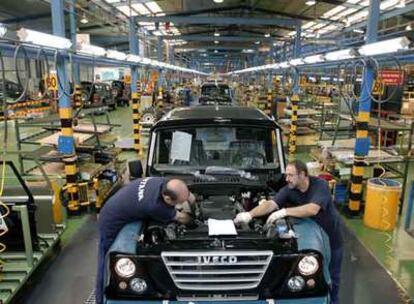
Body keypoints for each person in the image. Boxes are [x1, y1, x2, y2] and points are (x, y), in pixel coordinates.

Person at [234, 160, 343, 304]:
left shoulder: (320, 185)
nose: (287, 179)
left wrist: (284, 211)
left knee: (332, 279)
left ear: (303, 174)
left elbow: (313, 209)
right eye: (287, 175)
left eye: (291, 175)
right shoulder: (289, 189)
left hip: (331, 237)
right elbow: (271, 204)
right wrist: (250, 214)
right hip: (310, 236)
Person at [95, 177, 195, 304]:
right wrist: (194, 221)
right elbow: (182, 218)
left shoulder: (163, 183)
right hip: (111, 222)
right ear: (167, 199)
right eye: (178, 203)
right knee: (107, 260)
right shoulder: (154, 206)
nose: (179, 204)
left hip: (117, 205)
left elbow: (181, 190)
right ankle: (100, 299)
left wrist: (190, 198)